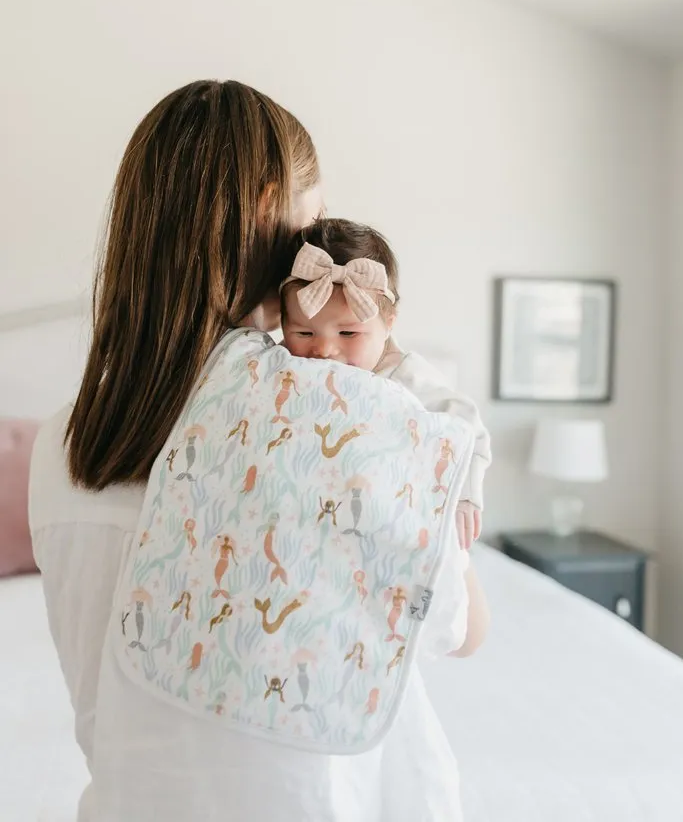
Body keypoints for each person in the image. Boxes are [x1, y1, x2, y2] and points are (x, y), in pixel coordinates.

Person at [29, 80, 488, 822]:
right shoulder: (345, 417)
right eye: (310, 225)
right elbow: (461, 630)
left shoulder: (65, 441)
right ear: (268, 205)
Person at [280, 217, 492, 550]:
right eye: (304, 332)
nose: (323, 350)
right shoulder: (286, 365)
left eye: (348, 333)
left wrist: (463, 495)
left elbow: (467, 429)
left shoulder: (403, 375)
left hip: (386, 516)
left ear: (389, 324)